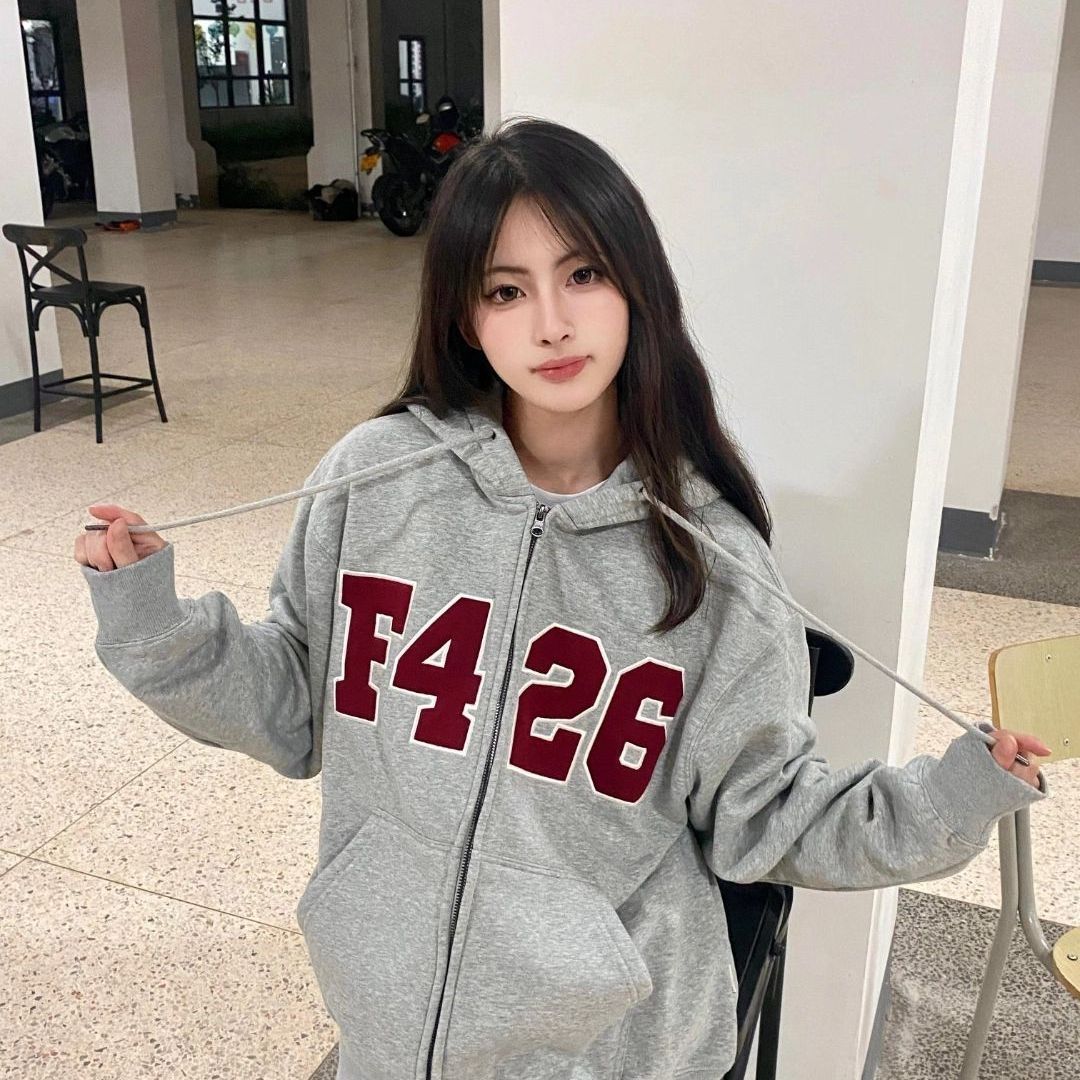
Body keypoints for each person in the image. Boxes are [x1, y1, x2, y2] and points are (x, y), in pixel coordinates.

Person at [74, 117, 1050, 1080]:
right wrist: (151, 622)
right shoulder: (374, 478)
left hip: (609, 1054)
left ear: (637, 290)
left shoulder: (711, 559)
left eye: (583, 274)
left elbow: (768, 814)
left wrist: (951, 798)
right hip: (388, 1020)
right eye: (506, 289)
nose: (551, 322)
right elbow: (295, 704)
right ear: (466, 315)